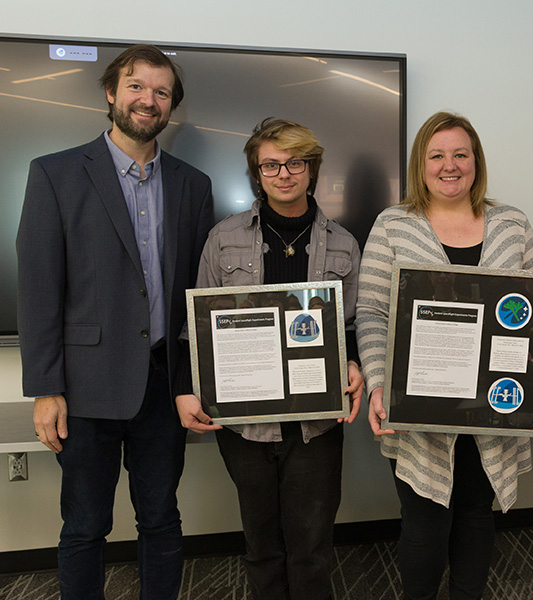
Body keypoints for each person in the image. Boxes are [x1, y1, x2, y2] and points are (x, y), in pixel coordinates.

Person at [17, 45, 214, 599]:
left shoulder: (193, 185)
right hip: (85, 387)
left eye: (161, 91)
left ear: (171, 105)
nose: (148, 100)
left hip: (164, 386)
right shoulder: (54, 173)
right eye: (136, 86)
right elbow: (38, 290)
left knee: (161, 519)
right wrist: (46, 389)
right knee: (84, 527)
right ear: (111, 93)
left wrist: (194, 380)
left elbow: (198, 296)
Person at [356, 111, 533, 600]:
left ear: (476, 162)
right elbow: (372, 312)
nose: (449, 166)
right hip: (420, 408)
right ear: (421, 164)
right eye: (437, 155)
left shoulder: (512, 225)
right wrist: (379, 382)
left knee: (474, 516)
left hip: (495, 403)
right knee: (424, 524)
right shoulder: (393, 225)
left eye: (460, 155)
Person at [175, 117, 363, 600]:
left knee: (312, 549)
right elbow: (196, 328)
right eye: (271, 165)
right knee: (262, 547)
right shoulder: (223, 239)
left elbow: (354, 326)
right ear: (256, 174)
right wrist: (185, 389)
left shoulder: (344, 244)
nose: (283, 174)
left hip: (315, 423)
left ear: (312, 168)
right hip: (245, 424)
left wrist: (355, 364)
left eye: (295, 163)